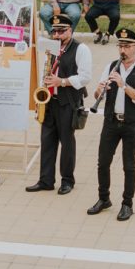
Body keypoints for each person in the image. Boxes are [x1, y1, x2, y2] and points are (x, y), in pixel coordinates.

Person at [87, 28, 135, 221]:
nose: (123, 50)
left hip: (132, 123)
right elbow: (97, 96)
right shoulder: (110, 67)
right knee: (103, 162)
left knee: (129, 165)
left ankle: (127, 204)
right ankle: (103, 198)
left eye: (127, 46)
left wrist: (123, 85)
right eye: (120, 46)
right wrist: (100, 90)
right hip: (111, 121)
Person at [26, 14, 91, 195]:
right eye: (54, 31)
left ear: (70, 30)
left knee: (67, 142)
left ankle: (67, 180)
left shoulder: (81, 49)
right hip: (49, 101)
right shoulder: (53, 48)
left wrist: (61, 82)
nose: (57, 35)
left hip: (68, 101)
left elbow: (85, 77)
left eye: (61, 31)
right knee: (47, 141)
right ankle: (46, 180)